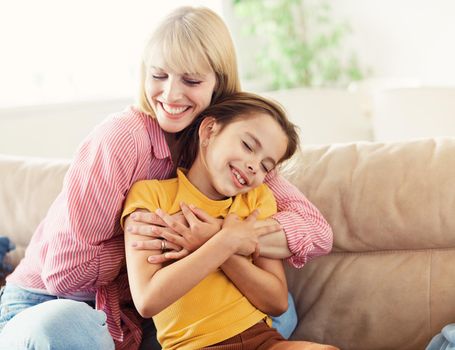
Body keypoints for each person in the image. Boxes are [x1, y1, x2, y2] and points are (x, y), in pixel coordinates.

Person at [0, 6, 332, 350]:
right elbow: (65, 272)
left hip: (142, 315)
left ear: (219, 86)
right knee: (66, 327)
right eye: (159, 76)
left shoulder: (236, 145)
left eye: (191, 81)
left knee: (280, 312)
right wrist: (165, 236)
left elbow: (316, 230)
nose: (171, 95)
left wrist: (214, 235)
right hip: (54, 303)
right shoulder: (120, 139)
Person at [122, 92, 338, 350]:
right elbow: (147, 300)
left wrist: (218, 244)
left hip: (263, 340)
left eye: (266, 166)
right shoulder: (151, 196)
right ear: (210, 130)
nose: (253, 166)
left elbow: (277, 301)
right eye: (248, 146)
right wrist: (225, 241)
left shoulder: (256, 200)